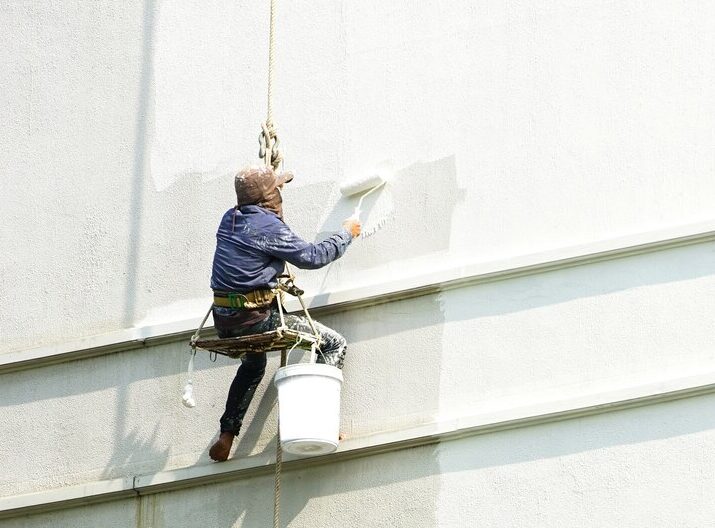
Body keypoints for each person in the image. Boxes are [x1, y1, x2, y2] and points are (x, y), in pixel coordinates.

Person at [208, 165, 361, 462]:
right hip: (255, 319)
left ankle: (227, 434)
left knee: (253, 365)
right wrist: (346, 234)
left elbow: (255, 249)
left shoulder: (230, 219)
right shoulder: (267, 228)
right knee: (333, 344)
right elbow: (312, 257)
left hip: (225, 321)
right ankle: (318, 423)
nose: (280, 194)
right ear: (268, 197)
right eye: (277, 189)